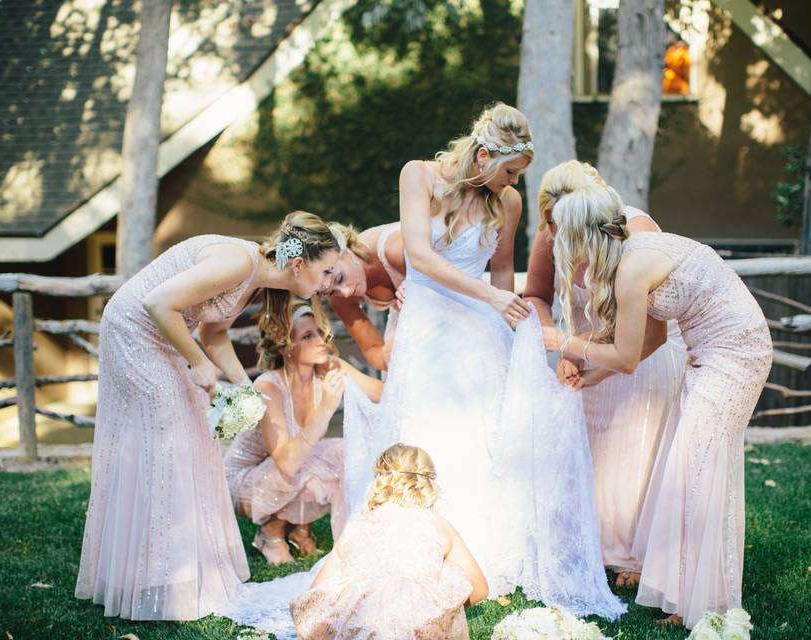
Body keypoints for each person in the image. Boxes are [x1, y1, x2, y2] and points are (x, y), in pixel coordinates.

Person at [356, 102, 625, 618]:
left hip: (481, 329)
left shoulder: (509, 202)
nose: (512, 181)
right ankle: (415, 541)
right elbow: (422, 256)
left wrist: (508, 328)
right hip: (428, 327)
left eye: (517, 174)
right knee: (427, 427)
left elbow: (502, 269)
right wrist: (491, 299)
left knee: (481, 434)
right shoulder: (418, 176)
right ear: (482, 154)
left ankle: (478, 549)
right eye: (509, 170)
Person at [75, 211, 342, 620]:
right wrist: (199, 365)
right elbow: (158, 302)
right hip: (133, 332)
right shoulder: (239, 262)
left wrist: (245, 388)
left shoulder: (255, 278)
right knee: (169, 445)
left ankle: (177, 573)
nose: (327, 283)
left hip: (162, 335)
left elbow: (213, 333)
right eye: (326, 272)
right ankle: (156, 580)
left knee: (194, 442)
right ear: (298, 264)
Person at [543, 186, 773, 629]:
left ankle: (708, 604)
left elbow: (627, 356)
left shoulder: (632, 267)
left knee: (698, 464)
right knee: (691, 465)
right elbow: (650, 341)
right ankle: (689, 593)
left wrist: (563, 343)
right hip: (708, 352)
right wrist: (591, 376)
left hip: (736, 352)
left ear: (580, 237)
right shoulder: (629, 259)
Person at [524, 160, 686, 588]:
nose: (555, 232)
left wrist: (576, 348)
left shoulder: (637, 233)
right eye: (551, 221)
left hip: (643, 354)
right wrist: (564, 346)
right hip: (586, 353)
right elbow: (536, 295)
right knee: (594, 456)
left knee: (639, 449)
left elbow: (652, 333)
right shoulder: (552, 230)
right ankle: (594, 547)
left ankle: (641, 553)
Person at [224, 302, 383, 564]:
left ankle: (300, 530)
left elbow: (380, 393)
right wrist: (327, 406)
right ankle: (271, 533)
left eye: (320, 332)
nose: (321, 341)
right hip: (247, 482)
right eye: (308, 336)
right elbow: (287, 463)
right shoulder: (269, 387)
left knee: (342, 456)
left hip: (289, 472)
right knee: (323, 458)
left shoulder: (327, 367)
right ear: (287, 347)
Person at [290, 443, 487, 639]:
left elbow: (318, 590)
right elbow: (480, 588)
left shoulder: (357, 526)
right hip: (418, 627)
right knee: (448, 574)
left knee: (346, 582)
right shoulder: (438, 525)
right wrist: (441, 608)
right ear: (427, 484)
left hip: (360, 624)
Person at [324, 222, 406, 371]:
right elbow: (372, 348)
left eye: (340, 278)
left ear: (346, 252)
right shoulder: (338, 296)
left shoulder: (393, 249)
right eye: (332, 291)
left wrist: (418, 287)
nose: (345, 293)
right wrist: (388, 355)